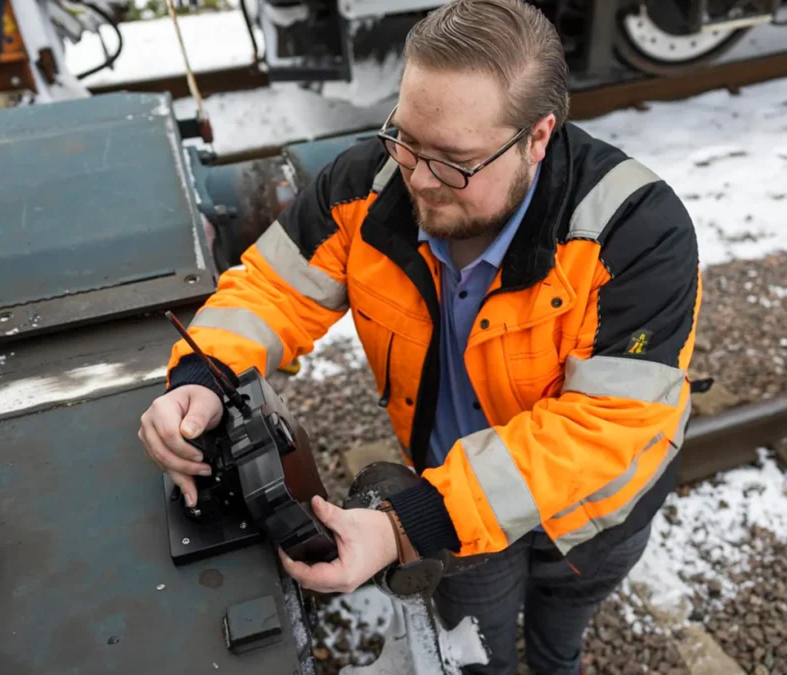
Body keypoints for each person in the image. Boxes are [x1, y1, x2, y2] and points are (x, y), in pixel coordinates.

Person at [138, 0, 701, 671]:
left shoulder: (638, 233)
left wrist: (403, 525)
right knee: (478, 644)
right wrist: (204, 374)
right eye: (405, 139)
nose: (420, 181)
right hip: (453, 503)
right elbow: (273, 288)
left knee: (562, 626)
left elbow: (606, 423)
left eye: (455, 161)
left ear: (537, 137)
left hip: (592, 518)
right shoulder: (368, 185)